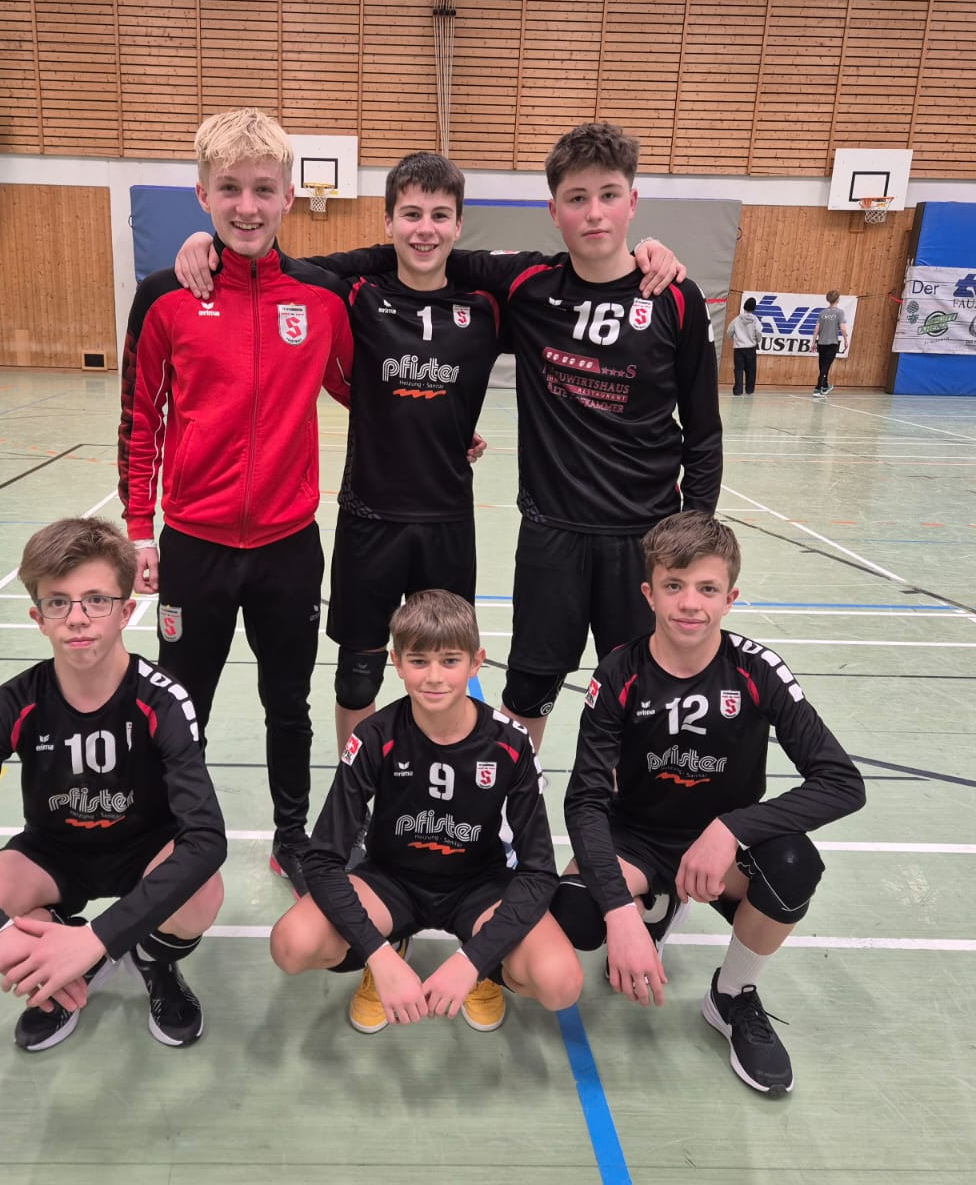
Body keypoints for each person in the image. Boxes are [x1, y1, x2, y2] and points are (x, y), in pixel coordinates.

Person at [173, 154, 686, 752]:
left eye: (441, 216)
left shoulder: (488, 305)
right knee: (357, 676)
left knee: (444, 672)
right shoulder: (355, 293)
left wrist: (646, 249)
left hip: (447, 523)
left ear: (459, 224)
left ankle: (441, 784)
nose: (425, 229)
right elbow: (279, 266)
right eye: (411, 214)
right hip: (369, 520)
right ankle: (359, 788)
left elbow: (573, 274)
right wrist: (206, 241)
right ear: (387, 221)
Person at [117, 108, 354, 895]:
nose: (246, 206)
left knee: (289, 706)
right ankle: (179, 836)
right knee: (183, 708)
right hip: (195, 547)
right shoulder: (165, 296)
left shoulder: (322, 298)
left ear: (289, 195)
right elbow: (139, 418)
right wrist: (140, 531)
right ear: (202, 195)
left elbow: (364, 390)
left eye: (262, 189)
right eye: (229, 189)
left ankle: (293, 838)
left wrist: (445, 427)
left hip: (289, 546)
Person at [548, 511, 865, 1093]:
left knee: (793, 864)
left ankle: (732, 995)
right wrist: (619, 913)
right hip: (636, 838)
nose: (690, 603)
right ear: (649, 593)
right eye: (674, 585)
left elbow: (842, 782)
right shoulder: (619, 672)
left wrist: (731, 828)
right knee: (576, 916)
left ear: (730, 598)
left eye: (707, 588)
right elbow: (585, 801)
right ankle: (651, 904)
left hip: (725, 854)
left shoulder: (757, 670)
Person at [0, 517, 227, 1051]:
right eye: (58, 602)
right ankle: (61, 969)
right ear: (39, 618)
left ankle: (152, 959)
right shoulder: (14, 703)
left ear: (126, 611)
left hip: (146, 848)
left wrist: (100, 938)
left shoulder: (164, 701)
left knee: (201, 893)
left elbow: (207, 839)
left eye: (96, 600)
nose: (78, 618)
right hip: (54, 853)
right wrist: (0, 938)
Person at [269, 590, 581, 1034]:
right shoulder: (374, 736)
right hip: (389, 882)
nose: (434, 677)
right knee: (291, 944)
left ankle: (482, 969)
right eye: (419, 661)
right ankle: (391, 947)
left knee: (560, 982)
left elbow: (538, 873)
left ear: (476, 662)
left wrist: (472, 960)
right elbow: (322, 860)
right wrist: (376, 953)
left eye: (450, 661)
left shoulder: (510, 743)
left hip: (480, 886)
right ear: (397, 663)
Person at [812, 288, 848, 397]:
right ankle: (817, 388)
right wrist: (846, 340)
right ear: (838, 299)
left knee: (823, 366)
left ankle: (825, 386)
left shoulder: (822, 313)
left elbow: (816, 329)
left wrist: (813, 342)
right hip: (832, 343)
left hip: (821, 343)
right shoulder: (839, 312)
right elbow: (842, 327)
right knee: (825, 366)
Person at [730, 295, 760, 396]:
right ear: (754, 308)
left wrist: (735, 339)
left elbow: (729, 331)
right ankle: (749, 390)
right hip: (751, 348)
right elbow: (759, 332)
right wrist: (757, 340)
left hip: (738, 348)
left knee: (738, 369)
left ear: (744, 306)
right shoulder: (755, 320)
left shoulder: (737, 319)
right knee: (751, 370)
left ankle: (738, 390)